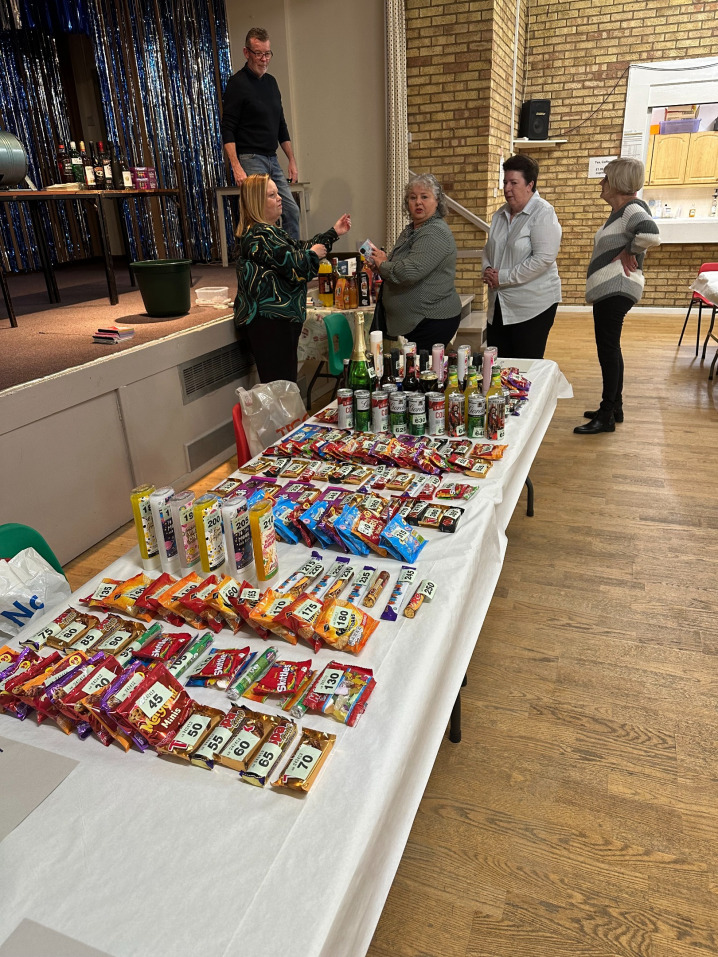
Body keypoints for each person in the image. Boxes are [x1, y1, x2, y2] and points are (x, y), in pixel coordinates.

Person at [234, 173, 351, 383]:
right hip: (269, 324)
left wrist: (333, 233)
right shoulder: (258, 235)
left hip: (279, 322)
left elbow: (299, 249)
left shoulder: (271, 232)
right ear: (256, 203)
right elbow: (294, 264)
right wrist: (313, 255)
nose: (279, 198)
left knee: (285, 385)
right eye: (272, 195)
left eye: (277, 193)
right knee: (280, 387)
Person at [574, 157, 660, 434]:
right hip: (611, 289)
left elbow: (651, 234)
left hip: (616, 288)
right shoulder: (621, 211)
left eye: (606, 178)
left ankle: (606, 414)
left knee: (608, 350)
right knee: (612, 349)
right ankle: (614, 407)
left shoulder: (632, 208)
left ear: (618, 183)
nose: (601, 183)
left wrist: (628, 251)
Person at [221, 27, 301, 239]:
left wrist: (291, 160)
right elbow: (228, 127)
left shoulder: (271, 83)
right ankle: (260, 256)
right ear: (246, 53)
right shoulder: (237, 83)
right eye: (258, 54)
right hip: (250, 158)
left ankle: (290, 256)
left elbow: (281, 125)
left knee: (291, 210)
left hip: (272, 158)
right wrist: (236, 166)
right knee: (259, 216)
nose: (264, 59)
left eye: (267, 53)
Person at [368, 173, 462, 351]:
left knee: (420, 367)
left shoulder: (434, 232)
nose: (418, 202)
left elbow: (409, 272)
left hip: (431, 319)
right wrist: (382, 263)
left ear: (437, 201)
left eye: (424, 197)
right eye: (413, 197)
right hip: (416, 321)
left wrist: (383, 265)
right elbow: (402, 263)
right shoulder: (412, 229)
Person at [482, 154, 561, 359]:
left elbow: (543, 259)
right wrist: (487, 269)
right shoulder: (499, 215)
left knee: (526, 365)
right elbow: (489, 248)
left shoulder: (543, 213)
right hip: (499, 302)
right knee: (498, 363)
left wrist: (503, 277)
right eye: (505, 182)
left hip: (533, 306)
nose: (507, 188)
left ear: (530, 185)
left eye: (513, 183)